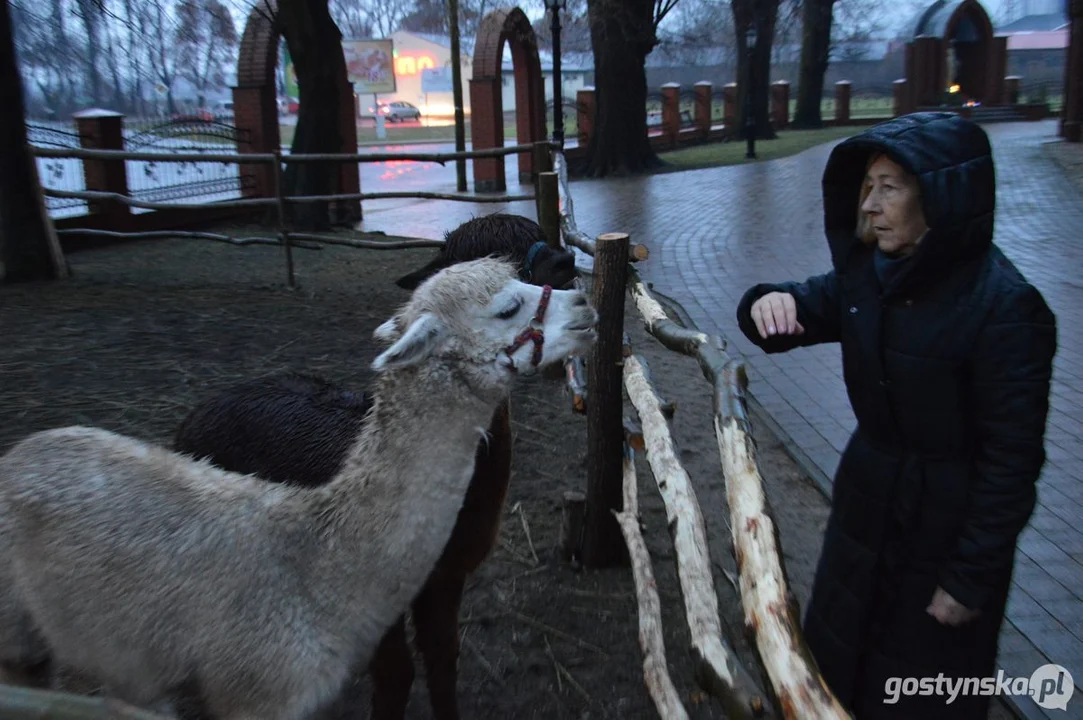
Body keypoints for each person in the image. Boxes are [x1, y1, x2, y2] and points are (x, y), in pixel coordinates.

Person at [735, 112, 1057, 718]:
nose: (871, 205)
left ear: (942, 194)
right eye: (866, 187)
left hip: (941, 535)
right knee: (835, 669)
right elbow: (800, 308)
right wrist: (766, 303)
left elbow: (1012, 464)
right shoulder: (868, 276)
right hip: (864, 507)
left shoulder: (1008, 309)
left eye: (891, 187)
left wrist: (969, 577)